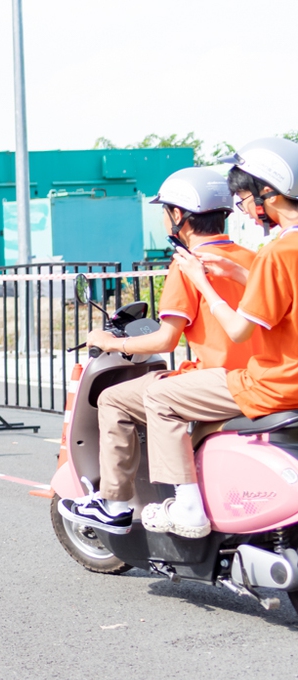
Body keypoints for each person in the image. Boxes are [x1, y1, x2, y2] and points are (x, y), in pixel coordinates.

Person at [59, 166, 254, 534]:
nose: (165, 218)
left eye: (166, 211)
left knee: (115, 399)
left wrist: (112, 342)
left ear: (178, 216)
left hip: (222, 380)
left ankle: (116, 503)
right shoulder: (251, 259)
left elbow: (165, 339)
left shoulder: (187, 266)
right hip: (255, 375)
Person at [139, 136, 298, 537]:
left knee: (158, 396)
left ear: (268, 192)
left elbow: (238, 328)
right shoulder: (275, 253)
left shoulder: (277, 252)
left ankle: (188, 508)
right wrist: (243, 276)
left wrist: (202, 283)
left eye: (244, 197)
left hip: (276, 382)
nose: (243, 209)